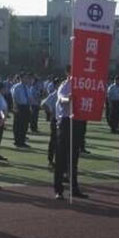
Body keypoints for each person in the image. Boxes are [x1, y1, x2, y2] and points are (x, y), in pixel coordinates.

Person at [53, 66, 88, 200]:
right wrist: (69, 99)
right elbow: (61, 99)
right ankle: (58, 190)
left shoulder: (83, 84)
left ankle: (74, 188)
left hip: (78, 121)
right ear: (67, 73)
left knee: (74, 158)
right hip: (66, 122)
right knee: (61, 158)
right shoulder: (64, 86)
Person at [41, 79, 60, 168]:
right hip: (55, 119)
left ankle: (59, 160)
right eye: (58, 84)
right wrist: (51, 113)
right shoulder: (54, 94)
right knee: (54, 140)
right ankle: (51, 160)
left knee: (61, 141)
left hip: (63, 120)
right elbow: (44, 104)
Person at [11, 74, 31, 148]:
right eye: (25, 78)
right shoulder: (16, 87)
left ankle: (22, 141)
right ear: (21, 78)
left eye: (27, 78)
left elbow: (29, 97)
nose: (27, 79)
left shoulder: (27, 87)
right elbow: (14, 98)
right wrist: (15, 107)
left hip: (26, 107)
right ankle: (17, 141)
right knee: (18, 125)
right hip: (19, 107)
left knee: (25, 125)